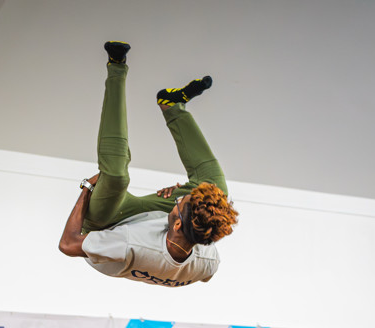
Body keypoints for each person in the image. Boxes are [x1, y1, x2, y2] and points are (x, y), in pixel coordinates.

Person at [58, 41, 239, 287]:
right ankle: (172, 105)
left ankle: (116, 66)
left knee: (116, 176)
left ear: (177, 223)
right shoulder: (207, 261)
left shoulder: (128, 245)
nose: (178, 198)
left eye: (179, 202)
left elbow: (68, 244)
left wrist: (87, 188)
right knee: (216, 192)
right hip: (149, 220)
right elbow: (204, 267)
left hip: (108, 224)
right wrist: (182, 196)